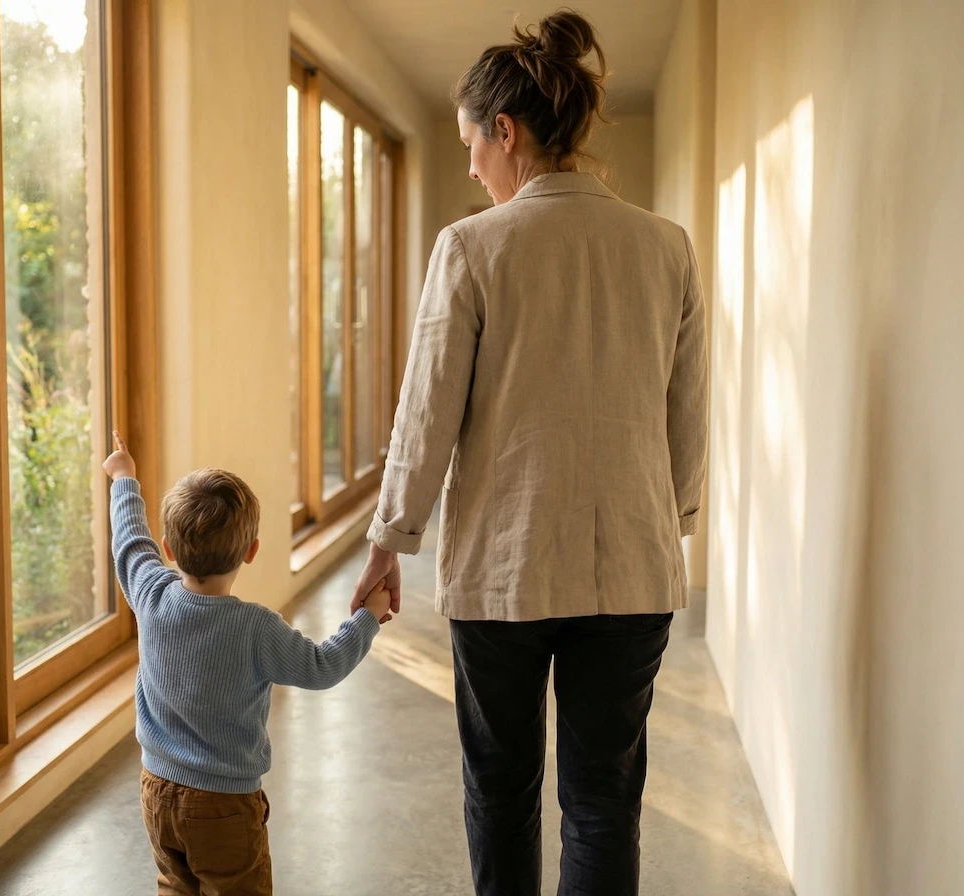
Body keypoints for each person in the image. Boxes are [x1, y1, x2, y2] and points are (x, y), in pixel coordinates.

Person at [351, 9, 709, 896]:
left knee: (502, 791)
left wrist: (389, 540)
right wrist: (679, 518)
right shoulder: (668, 248)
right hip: (632, 567)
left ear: (504, 131)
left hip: (503, 573)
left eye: (474, 145)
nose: (472, 167)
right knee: (604, 802)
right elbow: (687, 409)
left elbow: (426, 408)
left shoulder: (472, 247)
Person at [104, 433, 391, 895]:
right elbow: (322, 666)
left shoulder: (151, 594)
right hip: (224, 805)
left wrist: (124, 478)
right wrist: (367, 619)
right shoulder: (256, 629)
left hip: (156, 789)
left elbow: (130, 542)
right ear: (251, 551)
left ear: (170, 550)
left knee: (175, 887)